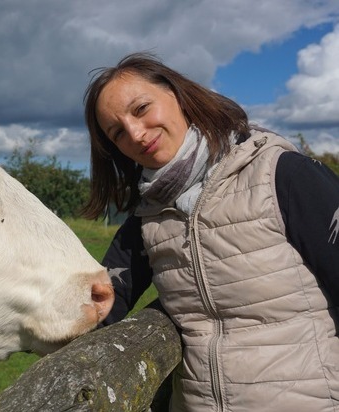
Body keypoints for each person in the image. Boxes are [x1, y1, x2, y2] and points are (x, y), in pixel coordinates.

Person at [82, 52, 339, 411]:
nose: (136, 135)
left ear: (177, 94)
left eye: (141, 109)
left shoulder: (283, 175)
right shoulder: (146, 218)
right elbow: (99, 303)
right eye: (118, 133)